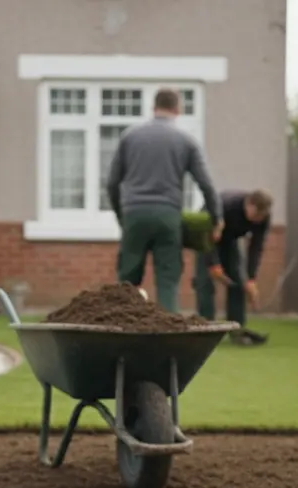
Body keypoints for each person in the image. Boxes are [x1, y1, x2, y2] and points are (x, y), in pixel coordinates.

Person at [106, 88, 222, 312]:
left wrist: (122, 216)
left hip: (134, 214)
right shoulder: (186, 141)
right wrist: (217, 218)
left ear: (153, 107)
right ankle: (167, 338)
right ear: (178, 109)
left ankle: (121, 331)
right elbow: (207, 184)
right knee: (167, 281)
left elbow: (112, 183)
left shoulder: (130, 136)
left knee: (127, 281)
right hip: (168, 215)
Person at [194, 188, 273, 343]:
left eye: (262, 217)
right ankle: (205, 329)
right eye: (256, 215)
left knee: (237, 281)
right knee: (205, 282)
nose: (258, 220)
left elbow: (256, 246)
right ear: (248, 205)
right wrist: (213, 264)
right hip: (205, 235)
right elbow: (207, 234)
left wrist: (251, 278)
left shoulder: (264, 217)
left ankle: (237, 330)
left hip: (230, 240)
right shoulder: (226, 206)